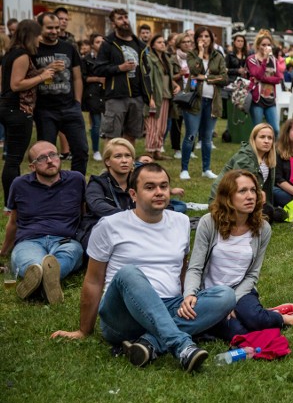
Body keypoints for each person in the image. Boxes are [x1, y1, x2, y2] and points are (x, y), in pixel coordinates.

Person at [51, 163, 235, 372]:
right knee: (129, 272)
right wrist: (84, 330)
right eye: (150, 187)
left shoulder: (181, 221)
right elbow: (93, 280)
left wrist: (188, 298)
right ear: (133, 194)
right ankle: (181, 345)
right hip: (123, 315)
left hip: (169, 306)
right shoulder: (110, 225)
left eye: (164, 186)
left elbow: (181, 270)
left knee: (226, 296)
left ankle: (150, 342)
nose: (159, 192)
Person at [185, 171, 293, 342]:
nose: (250, 196)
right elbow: (195, 267)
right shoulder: (209, 222)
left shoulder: (262, 228)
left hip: (242, 290)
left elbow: (252, 274)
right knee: (239, 334)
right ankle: (268, 313)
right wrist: (190, 294)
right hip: (212, 294)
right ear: (227, 196)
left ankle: (287, 319)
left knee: (255, 320)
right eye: (242, 191)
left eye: (253, 191)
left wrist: (231, 302)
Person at [0, 141, 85, 304]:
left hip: (65, 240)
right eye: (42, 158)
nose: (50, 160)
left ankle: (38, 281)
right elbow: (13, 222)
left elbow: (84, 213)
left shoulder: (76, 180)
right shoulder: (19, 184)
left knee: (71, 252)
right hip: (29, 241)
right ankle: (45, 279)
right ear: (32, 166)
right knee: (31, 262)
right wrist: (4, 251)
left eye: (53, 155)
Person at [0, 20, 51, 205]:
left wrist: (44, 71)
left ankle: (12, 199)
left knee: (13, 158)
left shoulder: (11, 54)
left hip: (8, 107)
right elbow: (16, 84)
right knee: (14, 160)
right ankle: (10, 202)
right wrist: (42, 77)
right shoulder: (22, 55)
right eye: (38, 35)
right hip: (18, 110)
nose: (40, 39)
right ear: (30, 35)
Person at [33, 12, 88, 175]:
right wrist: (46, 69)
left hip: (70, 108)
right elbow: (27, 76)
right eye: (50, 28)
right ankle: (49, 185)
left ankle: (77, 184)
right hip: (45, 110)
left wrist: (77, 102)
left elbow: (77, 77)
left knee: (81, 150)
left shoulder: (68, 47)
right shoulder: (34, 49)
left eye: (57, 28)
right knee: (45, 154)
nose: (54, 31)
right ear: (40, 27)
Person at [179, 27, 227, 180]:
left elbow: (224, 78)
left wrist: (206, 78)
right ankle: (184, 169)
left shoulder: (218, 56)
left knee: (207, 137)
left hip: (212, 102)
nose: (204, 39)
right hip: (195, 100)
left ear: (211, 39)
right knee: (191, 135)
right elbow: (194, 70)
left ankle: (206, 169)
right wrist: (200, 53)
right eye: (201, 36)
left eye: (207, 36)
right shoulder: (192, 54)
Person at [95, 8, 147, 144]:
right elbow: (98, 69)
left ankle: (128, 164)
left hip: (137, 96)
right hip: (116, 96)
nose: (124, 21)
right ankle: (110, 164)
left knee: (132, 135)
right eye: (120, 18)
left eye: (125, 17)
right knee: (112, 137)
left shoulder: (139, 44)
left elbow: (146, 70)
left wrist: (147, 93)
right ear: (113, 24)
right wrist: (120, 68)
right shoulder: (108, 44)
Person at [76, 138, 136, 249]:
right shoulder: (97, 182)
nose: (124, 160)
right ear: (107, 161)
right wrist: (132, 218)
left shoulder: (138, 182)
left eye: (128, 156)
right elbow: (97, 206)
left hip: (133, 229)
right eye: (118, 156)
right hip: (100, 231)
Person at [210, 123, 276, 208]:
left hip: (248, 197)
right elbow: (240, 186)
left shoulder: (269, 158)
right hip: (224, 199)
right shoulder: (245, 158)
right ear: (254, 139)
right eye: (262, 137)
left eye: (270, 138)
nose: (266, 141)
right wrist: (259, 193)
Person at [141, 35, 179, 160]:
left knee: (162, 126)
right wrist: (150, 97)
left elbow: (167, 77)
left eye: (163, 42)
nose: (163, 44)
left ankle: (157, 151)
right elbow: (148, 79)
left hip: (166, 96)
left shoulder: (166, 59)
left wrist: (175, 85)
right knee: (152, 125)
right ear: (152, 45)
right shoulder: (149, 58)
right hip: (155, 96)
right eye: (159, 42)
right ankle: (150, 152)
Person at [246, 31, 283, 138]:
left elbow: (278, 78)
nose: (266, 47)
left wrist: (263, 79)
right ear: (258, 46)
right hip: (257, 99)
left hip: (270, 99)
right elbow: (257, 74)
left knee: (275, 129)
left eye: (268, 45)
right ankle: (256, 152)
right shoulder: (251, 59)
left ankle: (272, 152)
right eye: (263, 45)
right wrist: (265, 60)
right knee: (258, 130)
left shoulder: (274, 60)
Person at [81, 33, 106, 161]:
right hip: (93, 93)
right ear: (92, 45)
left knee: (108, 124)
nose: (101, 44)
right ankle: (96, 150)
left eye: (102, 41)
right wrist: (97, 79)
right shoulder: (86, 60)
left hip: (106, 92)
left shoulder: (108, 58)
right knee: (96, 123)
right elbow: (83, 77)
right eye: (97, 42)